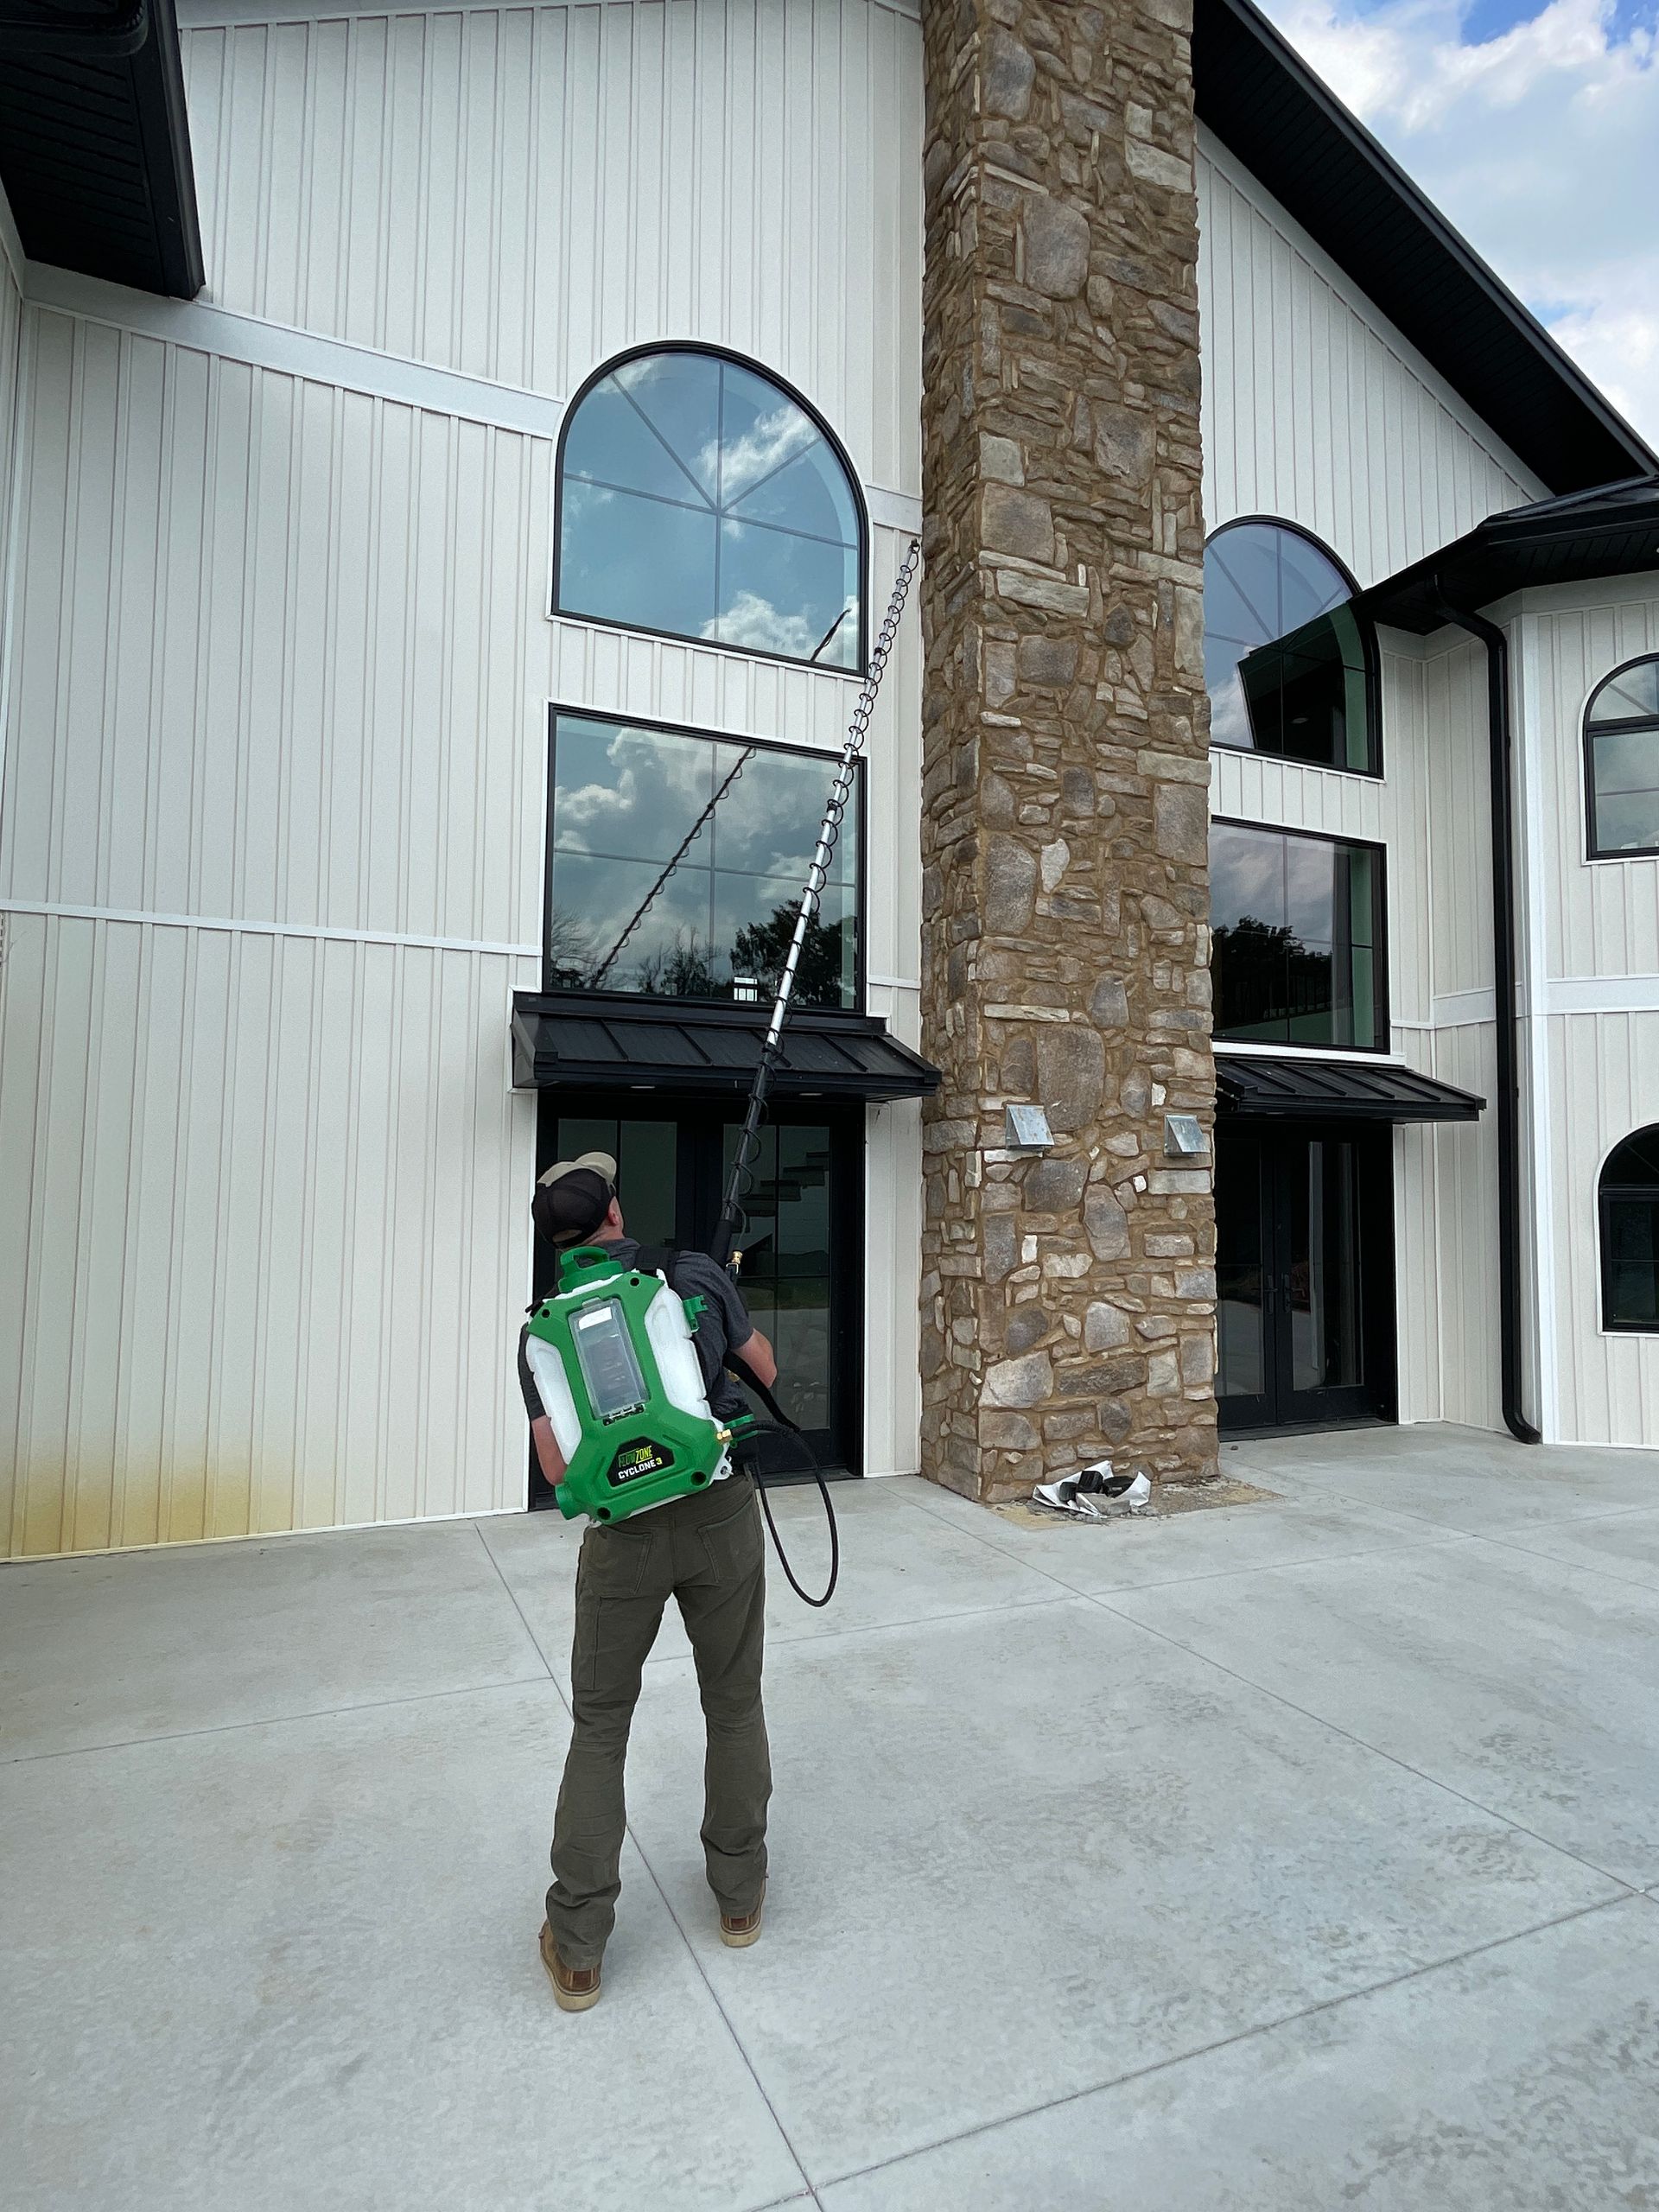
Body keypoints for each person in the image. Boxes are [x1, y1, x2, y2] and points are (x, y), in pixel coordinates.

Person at [518, 1150, 779, 2013]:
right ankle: (739, 1901)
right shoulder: (689, 1273)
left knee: (600, 1726)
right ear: (618, 1215)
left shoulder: (539, 1330)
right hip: (719, 1514)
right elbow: (767, 1372)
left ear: (559, 1243)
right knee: (733, 1701)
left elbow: (558, 1464)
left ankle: (581, 1946)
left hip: (621, 1540)